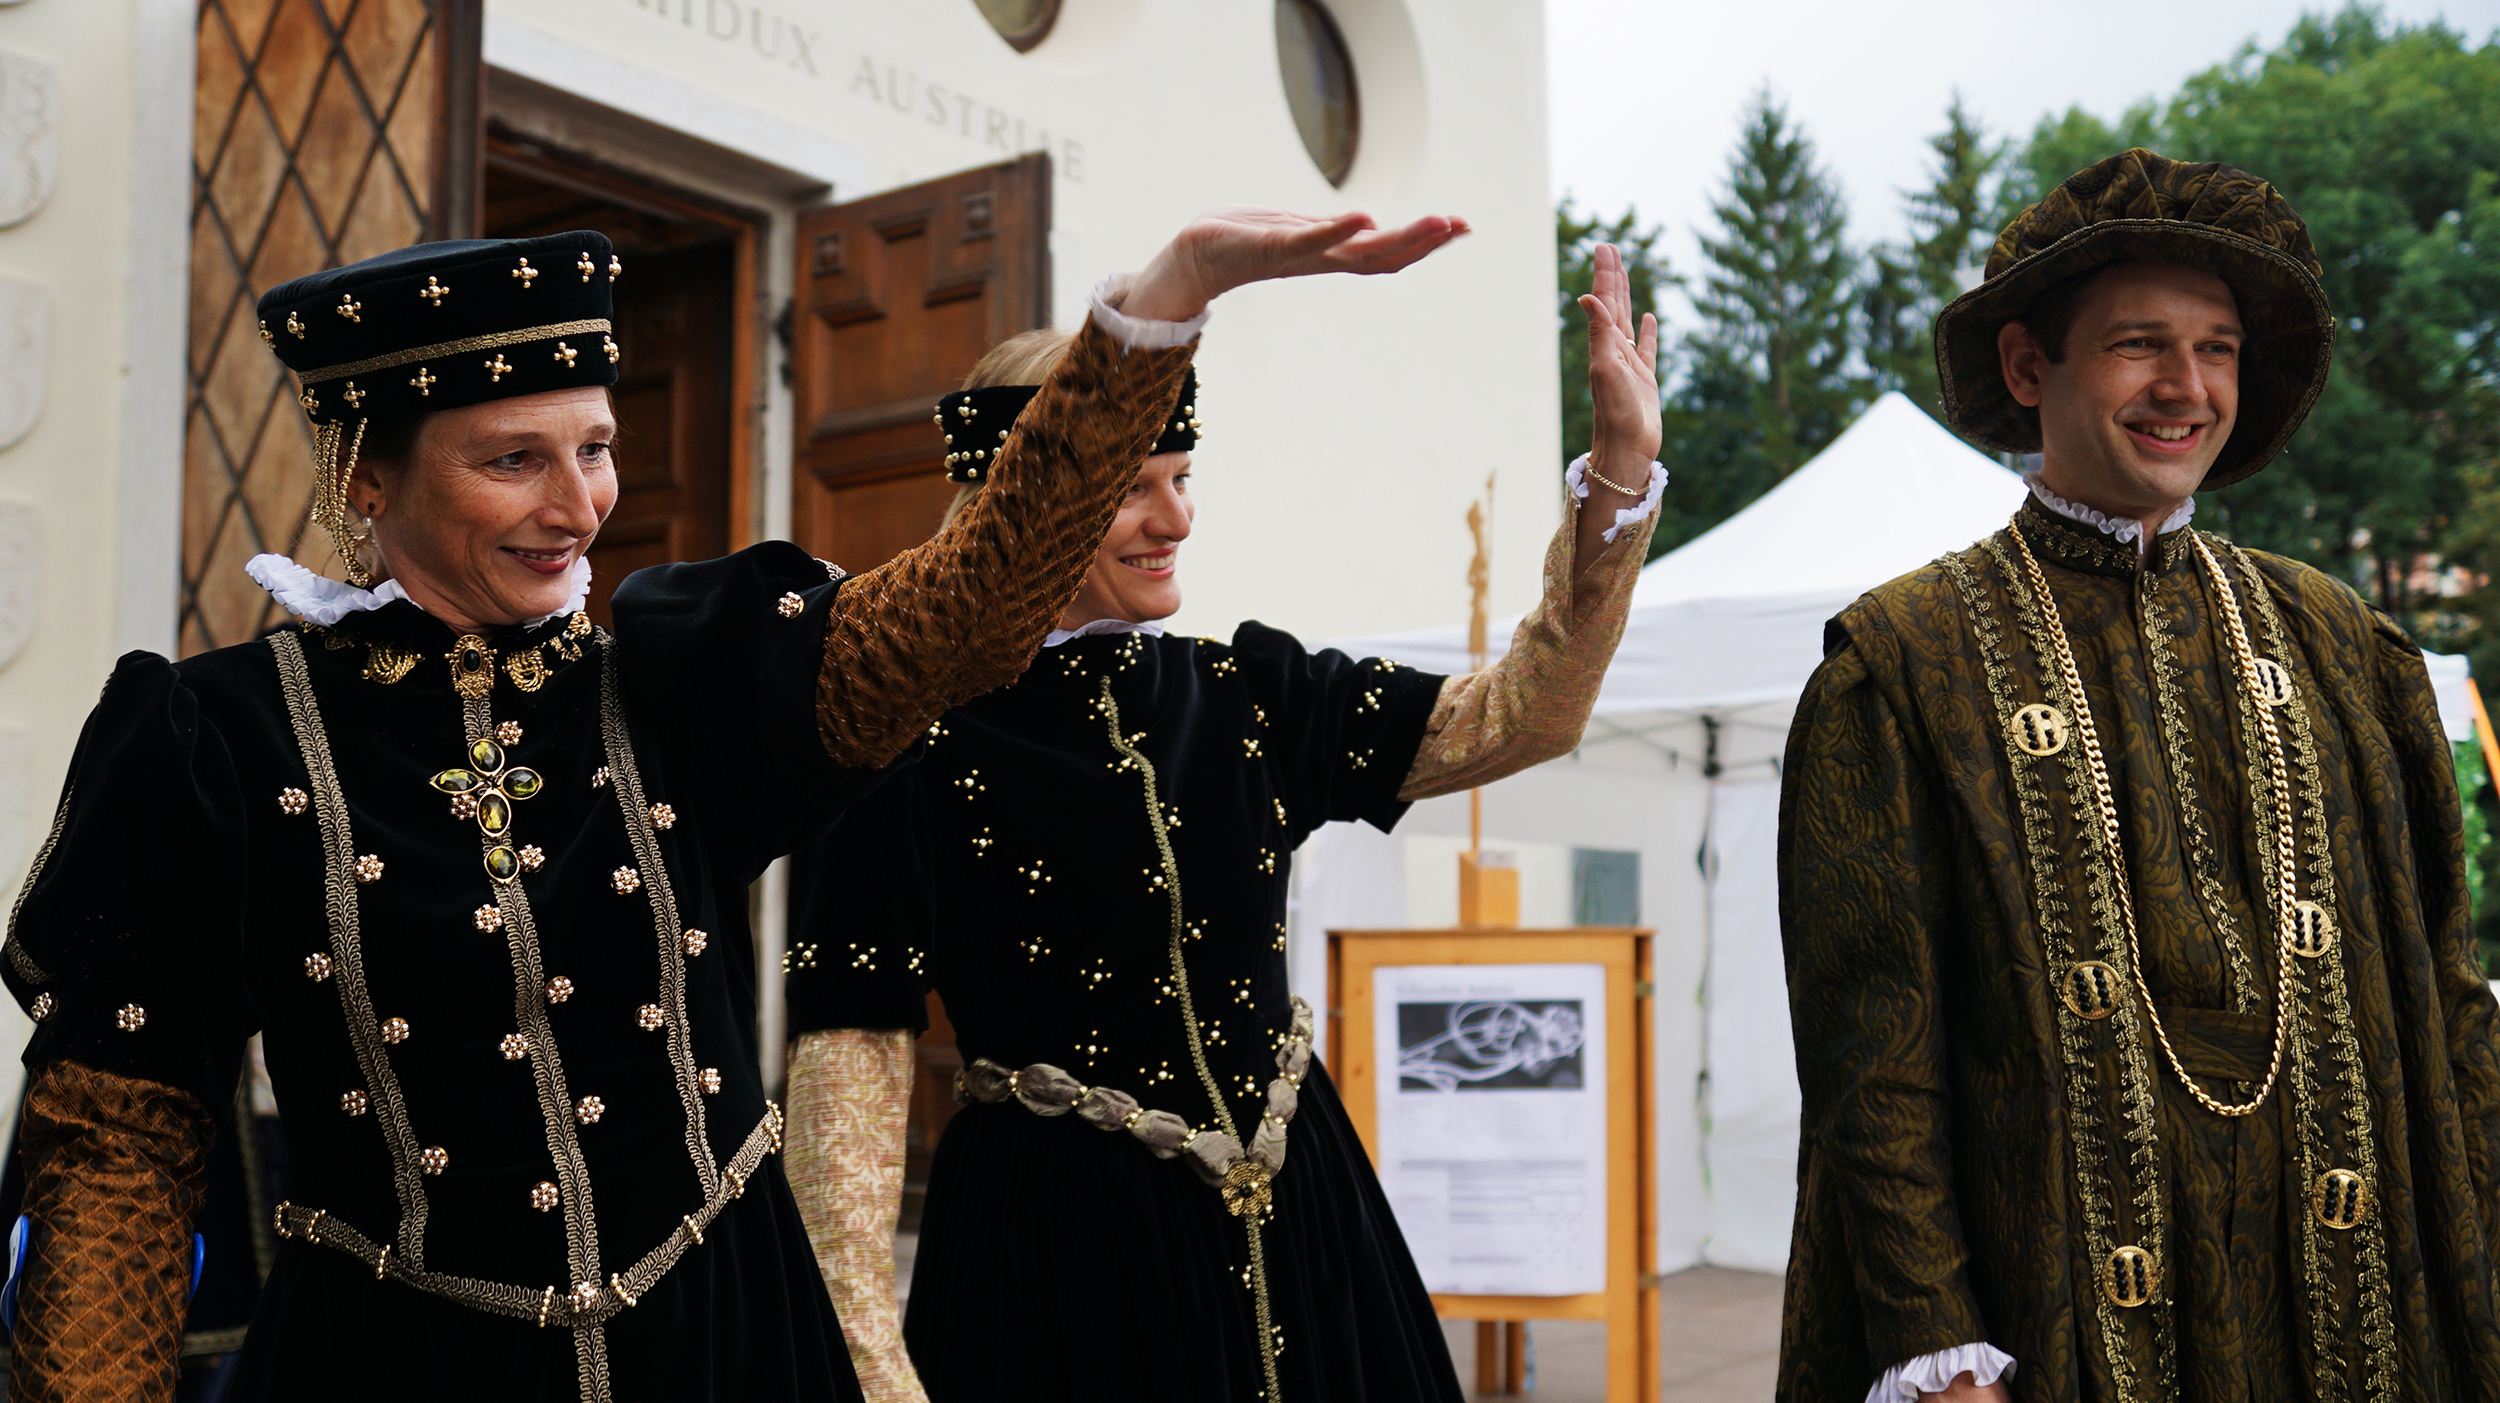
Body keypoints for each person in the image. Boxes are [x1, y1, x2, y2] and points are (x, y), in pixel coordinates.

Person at [0, 211, 1443, 1401]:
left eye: (599, 447)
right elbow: (116, 1146)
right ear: (364, 474)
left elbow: (972, 610)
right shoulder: (210, 736)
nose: (578, 503)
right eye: (515, 458)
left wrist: (1153, 314)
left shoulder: (682, 680)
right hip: (400, 1361)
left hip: (726, 1346)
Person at [776, 241, 1668, 1402]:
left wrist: (1617, 473)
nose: (1176, 518)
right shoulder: (906, 735)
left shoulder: (1246, 690)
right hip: (1061, 1270)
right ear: (1027, 504)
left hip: (1305, 1227)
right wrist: (871, 1366)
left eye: (1182, 476)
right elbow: (849, 1070)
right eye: (1133, 487)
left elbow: (1523, 715)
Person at [1776, 147, 2500, 1403]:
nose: (2185, 387)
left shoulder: (2342, 642)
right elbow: (1868, 1064)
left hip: (2345, 1320)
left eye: (2216, 348)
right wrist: (1938, 1352)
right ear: (2026, 366)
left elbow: (2446, 999)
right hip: (2045, 1325)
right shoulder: (1900, 662)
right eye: (2138, 344)